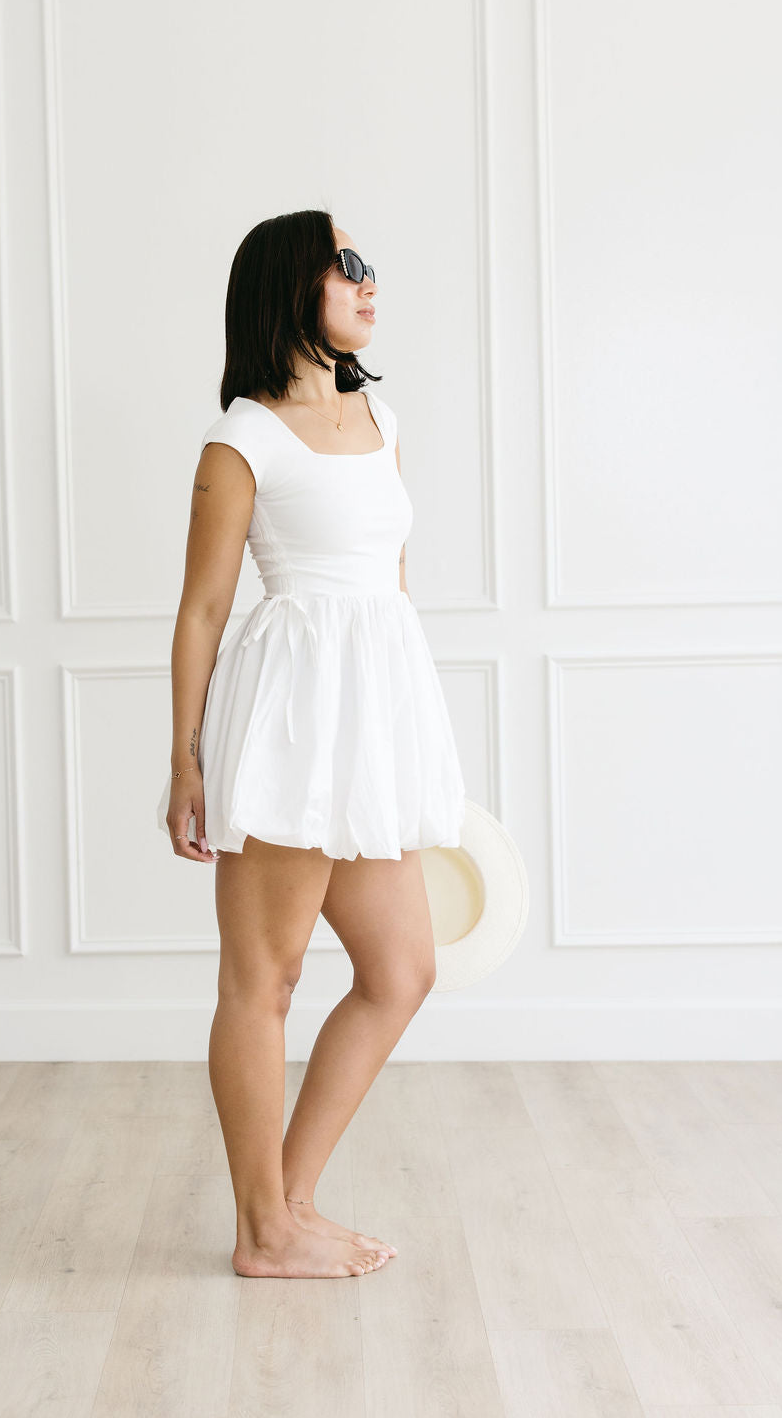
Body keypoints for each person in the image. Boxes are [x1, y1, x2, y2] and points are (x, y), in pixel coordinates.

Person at [156, 210, 467, 1279]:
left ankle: (284, 1205)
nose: (369, 283)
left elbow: (391, 587)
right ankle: (264, 1231)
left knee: (401, 968)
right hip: (289, 715)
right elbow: (202, 609)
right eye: (348, 266)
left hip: (371, 711)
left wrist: (405, 735)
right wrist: (185, 759)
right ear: (294, 285)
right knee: (267, 974)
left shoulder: (382, 417)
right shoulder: (241, 438)